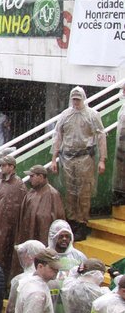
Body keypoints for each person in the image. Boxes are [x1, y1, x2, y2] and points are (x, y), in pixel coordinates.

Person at [51, 86, 107, 240]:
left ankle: (82, 222)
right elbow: (58, 136)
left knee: (84, 191)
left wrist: (102, 159)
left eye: (78, 99)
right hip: (68, 157)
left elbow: (101, 136)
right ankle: (72, 221)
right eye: (73, 99)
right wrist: (53, 158)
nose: (75, 102)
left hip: (85, 157)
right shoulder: (65, 115)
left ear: (83, 99)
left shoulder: (92, 115)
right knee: (70, 191)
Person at [0, 155, 26, 280]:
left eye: (4, 165)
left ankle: (4, 282)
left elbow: (19, 209)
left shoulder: (19, 184)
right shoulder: (0, 181)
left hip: (9, 228)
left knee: (4, 254)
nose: (2, 168)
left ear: (12, 167)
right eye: (1, 165)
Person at [16, 164, 65, 246]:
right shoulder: (31, 192)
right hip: (28, 234)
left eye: (32, 176)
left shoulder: (53, 194)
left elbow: (58, 218)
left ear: (41, 176)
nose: (30, 179)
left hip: (42, 238)